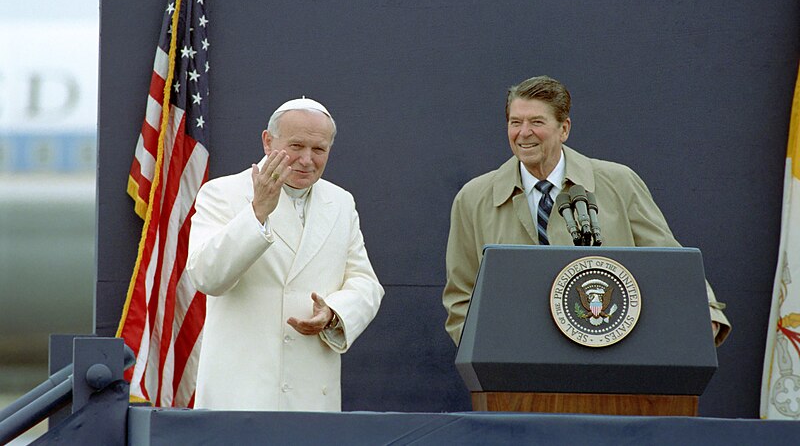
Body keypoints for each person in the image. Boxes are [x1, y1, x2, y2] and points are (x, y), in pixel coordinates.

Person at [442, 75, 730, 347]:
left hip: (610, 358)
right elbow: (462, 296)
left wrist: (705, 313)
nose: (524, 132)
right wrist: (486, 354)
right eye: (515, 122)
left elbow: (668, 261)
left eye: (537, 122)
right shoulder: (474, 198)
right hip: (515, 374)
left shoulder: (619, 182)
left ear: (564, 128)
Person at [187, 97, 384, 411]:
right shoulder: (223, 193)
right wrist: (257, 214)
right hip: (240, 396)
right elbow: (206, 277)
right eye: (296, 146)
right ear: (268, 141)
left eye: (319, 150)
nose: (306, 160)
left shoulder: (341, 202)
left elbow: (365, 283)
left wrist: (333, 313)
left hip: (311, 398)